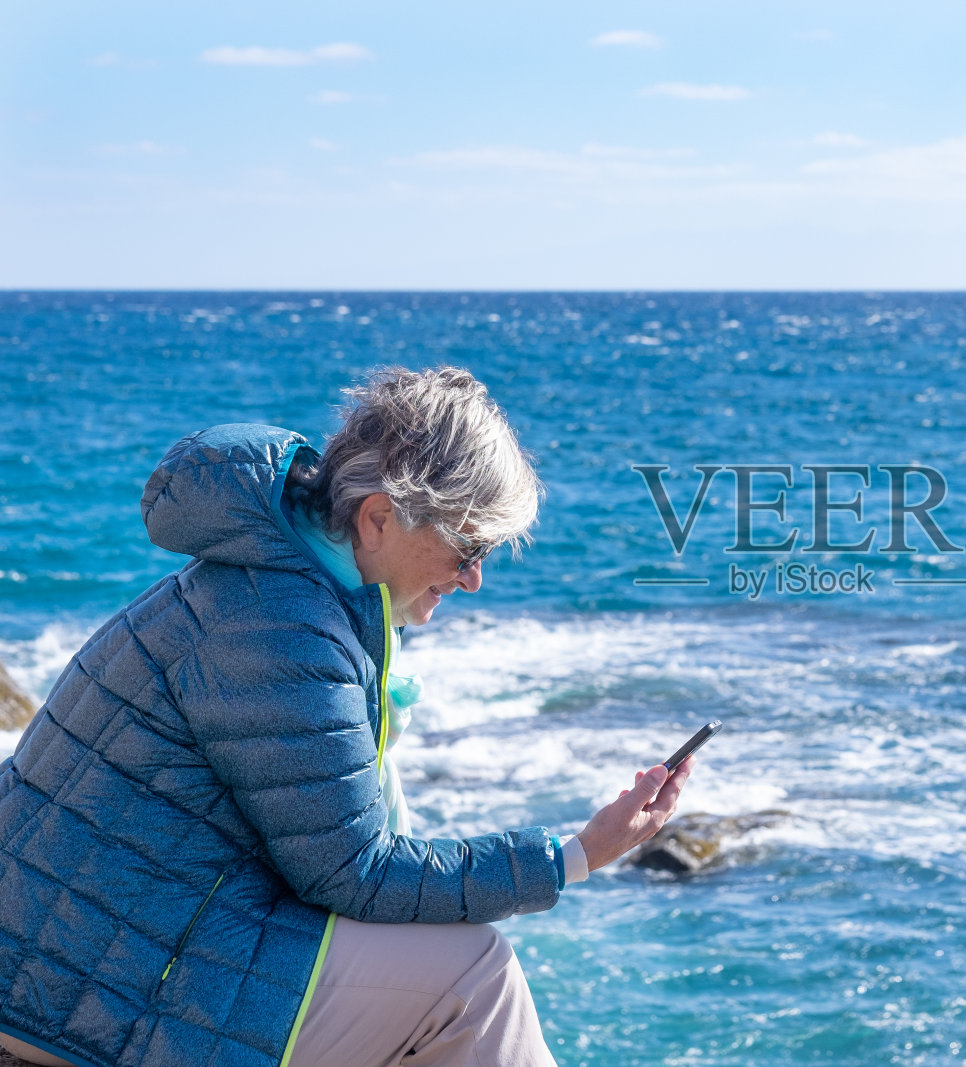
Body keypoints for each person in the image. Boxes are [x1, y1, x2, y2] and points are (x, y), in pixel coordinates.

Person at [0, 367, 692, 1067]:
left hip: (90, 959)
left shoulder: (282, 586)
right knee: (472, 977)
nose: (473, 576)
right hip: (76, 998)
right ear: (380, 517)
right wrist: (574, 855)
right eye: (468, 547)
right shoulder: (283, 626)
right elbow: (355, 873)